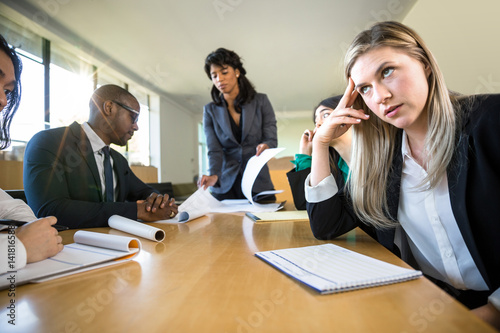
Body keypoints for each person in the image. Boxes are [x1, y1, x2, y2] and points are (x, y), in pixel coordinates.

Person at [306, 21, 500, 328]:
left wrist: (491, 313)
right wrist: (320, 144)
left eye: (387, 71)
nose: (380, 95)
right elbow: (326, 225)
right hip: (429, 306)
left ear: (423, 63)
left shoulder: (490, 120)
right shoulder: (384, 160)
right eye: (365, 88)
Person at [23, 84, 178, 229]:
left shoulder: (118, 160)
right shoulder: (48, 142)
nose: (136, 126)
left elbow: (144, 190)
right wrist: (137, 211)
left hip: (120, 247)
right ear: (109, 108)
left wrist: (157, 201)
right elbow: (49, 210)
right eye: (133, 117)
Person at [0, 34, 62, 274]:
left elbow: (18, 212)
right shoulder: (44, 144)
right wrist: (17, 247)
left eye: (7, 90)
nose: (4, 101)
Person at [198, 48, 278, 201]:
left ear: (237, 72)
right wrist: (214, 174)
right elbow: (214, 149)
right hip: (226, 182)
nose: (219, 79)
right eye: (214, 76)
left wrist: (266, 146)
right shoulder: (210, 110)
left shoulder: (261, 101)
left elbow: (271, 139)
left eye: (224, 72)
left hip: (258, 181)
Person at [286, 96, 351, 210]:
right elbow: (304, 203)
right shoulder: (330, 161)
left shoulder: (372, 157)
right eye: (316, 121)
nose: (318, 124)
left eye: (325, 115)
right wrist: (305, 153)